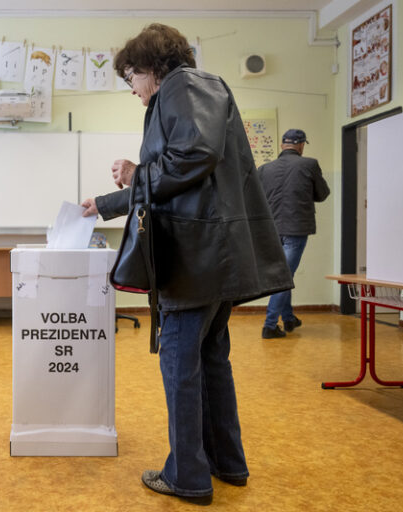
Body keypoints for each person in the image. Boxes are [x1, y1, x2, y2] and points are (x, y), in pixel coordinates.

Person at [81, 24, 293, 505]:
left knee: (181, 368)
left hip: (194, 261)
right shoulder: (197, 89)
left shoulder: (184, 85)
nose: (133, 91)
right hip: (210, 260)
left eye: (131, 79)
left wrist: (137, 173)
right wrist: (111, 200)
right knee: (212, 361)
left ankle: (188, 477)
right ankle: (227, 463)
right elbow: (185, 172)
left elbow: (193, 155)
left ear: (148, 68)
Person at [258, 129, 330, 339]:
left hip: (270, 231)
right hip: (296, 229)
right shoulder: (309, 164)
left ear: (282, 145)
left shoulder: (264, 169)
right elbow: (322, 194)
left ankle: (288, 318)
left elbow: (257, 199)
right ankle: (270, 325)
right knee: (284, 277)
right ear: (301, 145)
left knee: (283, 275)